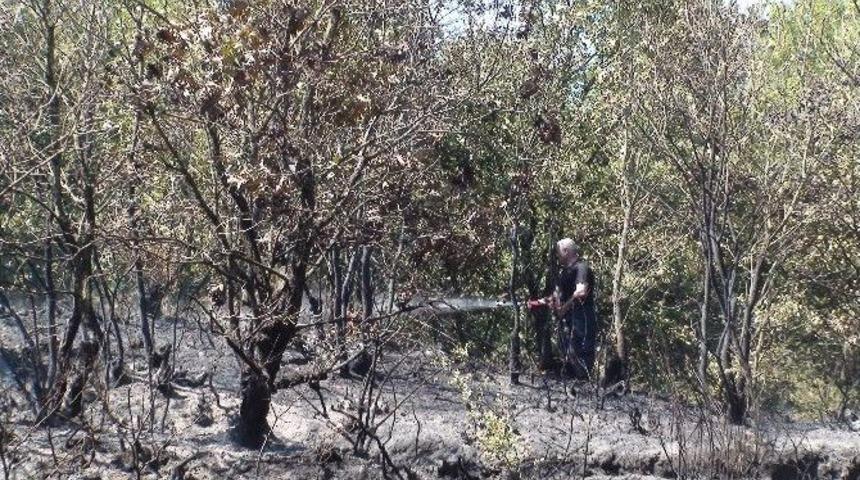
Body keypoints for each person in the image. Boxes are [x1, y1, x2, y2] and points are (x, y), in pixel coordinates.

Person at [552, 238, 597, 379]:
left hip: (581, 319)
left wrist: (563, 308)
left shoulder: (581, 268)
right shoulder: (565, 272)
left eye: (558, 252)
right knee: (568, 355)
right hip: (568, 322)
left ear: (566, 251)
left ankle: (586, 391)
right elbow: (558, 296)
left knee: (580, 356)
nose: (557, 256)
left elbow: (581, 292)